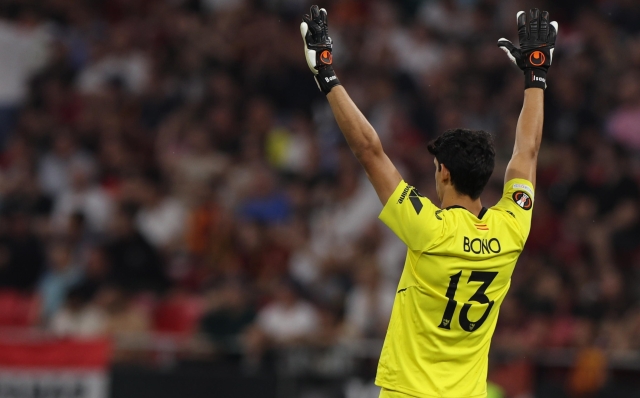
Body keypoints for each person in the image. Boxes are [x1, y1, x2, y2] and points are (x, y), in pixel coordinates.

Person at [299, 6, 557, 398]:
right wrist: (535, 75)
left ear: (444, 174)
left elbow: (369, 151)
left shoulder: (428, 229)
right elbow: (528, 151)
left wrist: (328, 76)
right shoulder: (512, 228)